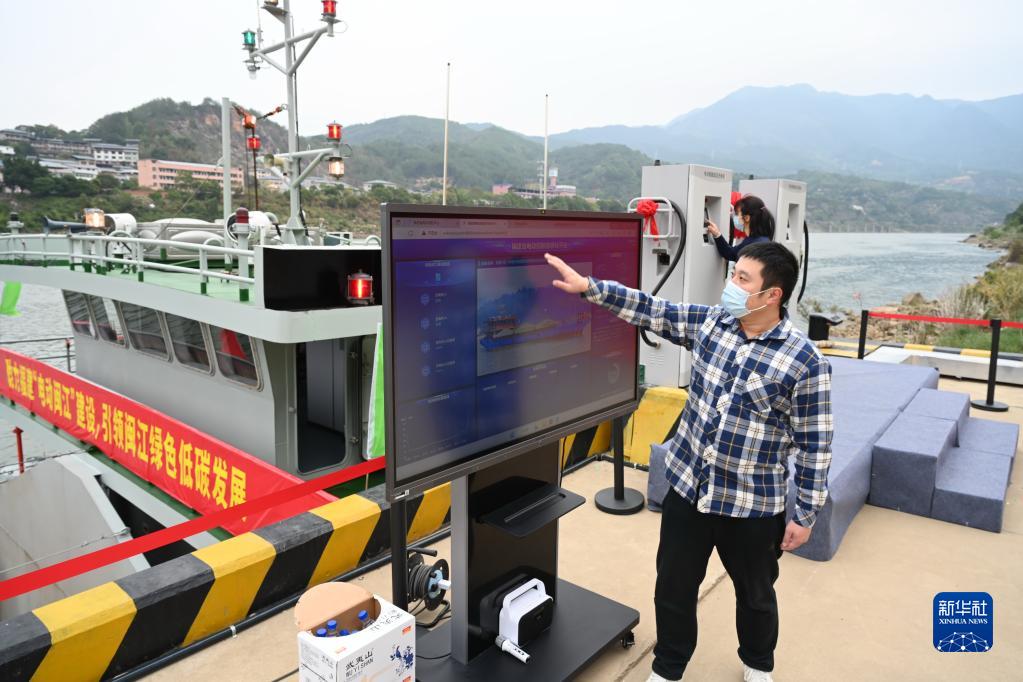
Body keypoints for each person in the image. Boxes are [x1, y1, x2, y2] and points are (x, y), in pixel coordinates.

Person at [544, 243, 832, 682]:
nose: (731, 285)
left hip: (751, 505)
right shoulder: (713, 324)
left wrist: (806, 513)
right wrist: (589, 287)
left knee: (756, 596)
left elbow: (815, 445)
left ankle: (758, 664)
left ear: (772, 295)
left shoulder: (805, 361)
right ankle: (668, 667)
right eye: (734, 274)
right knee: (673, 588)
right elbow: (653, 310)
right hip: (688, 489)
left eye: (742, 279)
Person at [708, 195, 775, 262]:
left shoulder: (757, 245)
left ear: (747, 218)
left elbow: (732, 255)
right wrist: (717, 234)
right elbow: (731, 254)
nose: (734, 217)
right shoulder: (755, 240)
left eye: (737, 214)